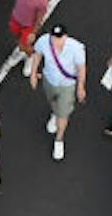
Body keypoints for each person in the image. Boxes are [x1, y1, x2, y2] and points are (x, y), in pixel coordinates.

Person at [32, 23, 88, 161]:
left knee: (63, 114)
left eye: (60, 37)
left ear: (65, 36)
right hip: (49, 80)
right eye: (54, 37)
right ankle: (54, 114)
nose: (56, 41)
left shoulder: (76, 48)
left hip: (66, 85)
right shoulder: (44, 41)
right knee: (52, 101)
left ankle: (59, 139)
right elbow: (37, 55)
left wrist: (80, 86)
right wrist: (33, 73)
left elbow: (81, 68)